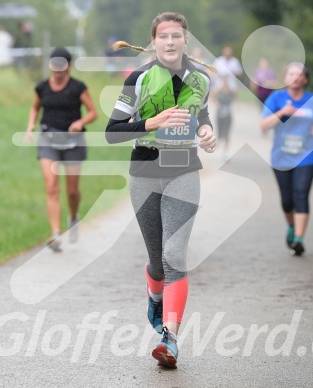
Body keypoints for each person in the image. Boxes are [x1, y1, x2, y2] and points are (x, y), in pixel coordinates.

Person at [105, 12, 216, 368]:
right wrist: (150, 122)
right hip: (145, 171)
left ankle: (169, 338)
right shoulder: (137, 79)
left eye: (177, 36)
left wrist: (207, 132)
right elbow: (112, 131)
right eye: (163, 36)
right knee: (157, 260)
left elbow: (203, 116)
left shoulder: (201, 79)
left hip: (183, 170)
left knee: (175, 256)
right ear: (153, 42)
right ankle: (155, 294)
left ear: (186, 41)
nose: (170, 42)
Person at [25, 47, 98, 252]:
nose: (57, 70)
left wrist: (80, 122)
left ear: (69, 67)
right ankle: (55, 233)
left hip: (73, 142)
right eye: (54, 66)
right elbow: (35, 107)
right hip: (48, 139)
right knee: (51, 186)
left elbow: (93, 113)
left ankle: (73, 217)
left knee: (72, 191)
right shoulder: (42, 88)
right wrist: (30, 124)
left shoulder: (78, 88)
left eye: (61, 66)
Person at [260, 62, 313, 256]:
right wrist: (282, 112)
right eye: (291, 73)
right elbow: (264, 125)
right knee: (287, 201)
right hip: (281, 156)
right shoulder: (276, 98)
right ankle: (291, 227)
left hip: (307, 155)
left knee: (301, 194)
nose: (296, 77)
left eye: (300, 74)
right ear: (285, 78)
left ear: (305, 79)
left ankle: (299, 239)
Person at [211, 73, 235, 159]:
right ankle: (218, 148)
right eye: (223, 79)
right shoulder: (218, 90)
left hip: (228, 115)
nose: (225, 81)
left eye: (226, 79)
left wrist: (237, 105)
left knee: (226, 133)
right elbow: (212, 98)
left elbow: (235, 99)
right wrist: (216, 104)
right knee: (219, 132)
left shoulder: (231, 90)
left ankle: (225, 152)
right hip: (219, 114)